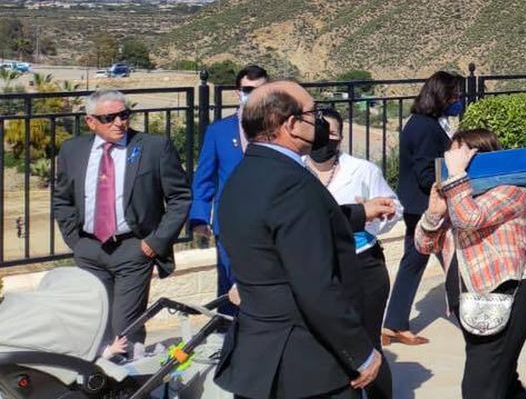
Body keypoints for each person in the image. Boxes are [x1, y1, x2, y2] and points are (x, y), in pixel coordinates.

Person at [214, 81, 381, 398]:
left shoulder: (244, 176)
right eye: (312, 113)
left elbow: (290, 228)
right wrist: (360, 351)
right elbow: (315, 285)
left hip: (260, 358)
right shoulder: (292, 184)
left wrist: (360, 213)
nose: (318, 123)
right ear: (290, 124)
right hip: (307, 365)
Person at [50, 89, 191, 350]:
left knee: (125, 327)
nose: (119, 122)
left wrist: (155, 242)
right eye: (109, 118)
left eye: (124, 115)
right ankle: (100, 384)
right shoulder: (73, 150)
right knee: (97, 322)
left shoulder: (153, 147)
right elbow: (62, 199)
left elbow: (180, 198)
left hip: (133, 250)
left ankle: (130, 385)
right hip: (89, 250)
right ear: (91, 121)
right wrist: (75, 242)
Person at [415, 129, 526, 399]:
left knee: (479, 386)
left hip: (506, 292)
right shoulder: (455, 195)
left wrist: (457, 177)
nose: (452, 164)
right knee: (501, 377)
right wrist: (433, 214)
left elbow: (470, 218)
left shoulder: (510, 190)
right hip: (469, 298)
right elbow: (424, 245)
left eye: (460, 157)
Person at [302, 108, 401, 399]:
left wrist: (372, 215)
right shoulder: (295, 171)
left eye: (331, 133)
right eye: (320, 132)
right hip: (317, 269)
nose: (325, 139)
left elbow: (393, 209)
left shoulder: (363, 170)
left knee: (367, 345)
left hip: (362, 265)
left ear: (341, 137)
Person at [384, 70, 464, 347]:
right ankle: (471, 314)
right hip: (425, 207)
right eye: (456, 95)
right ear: (442, 96)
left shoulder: (422, 123)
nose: (459, 100)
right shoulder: (426, 128)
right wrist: (454, 186)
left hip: (418, 204)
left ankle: (394, 323)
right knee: (449, 260)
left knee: (417, 262)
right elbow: (426, 172)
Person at [189, 64, 269, 313]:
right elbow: (205, 178)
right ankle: (227, 339)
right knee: (229, 284)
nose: (254, 94)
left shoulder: (278, 130)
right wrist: (199, 217)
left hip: (269, 221)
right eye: (248, 89)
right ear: (238, 92)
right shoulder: (218, 131)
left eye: (261, 89)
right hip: (230, 223)